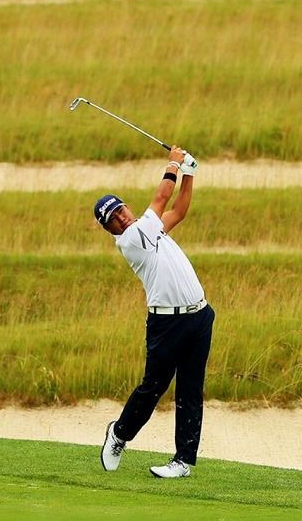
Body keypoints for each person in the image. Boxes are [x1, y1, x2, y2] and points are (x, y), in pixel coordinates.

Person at [94, 145, 214, 479]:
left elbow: (179, 210)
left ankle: (182, 461)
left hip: (199, 316)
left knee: (191, 389)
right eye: (113, 219)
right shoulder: (131, 239)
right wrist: (174, 162)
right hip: (167, 322)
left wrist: (189, 172)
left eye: (121, 209)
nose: (121, 216)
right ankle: (119, 434)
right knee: (153, 387)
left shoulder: (150, 228)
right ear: (110, 230)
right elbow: (162, 198)